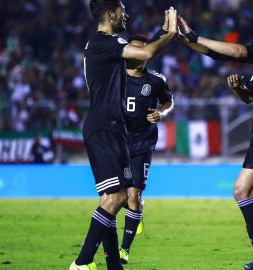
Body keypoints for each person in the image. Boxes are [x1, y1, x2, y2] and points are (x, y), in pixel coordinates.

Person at [178, 1, 253, 269]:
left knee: (241, 189)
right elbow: (236, 78)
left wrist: (196, 36)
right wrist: (186, 40)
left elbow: (236, 50)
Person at [70, 1, 177, 270]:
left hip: (113, 129)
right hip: (105, 127)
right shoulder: (104, 42)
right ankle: (81, 263)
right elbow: (148, 52)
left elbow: (141, 53)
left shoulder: (106, 45)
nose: (126, 14)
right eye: (122, 10)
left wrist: (161, 30)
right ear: (110, 14)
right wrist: (171, 33)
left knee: (112, 199)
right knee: (117, 198)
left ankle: (113, 264)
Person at [118, 35, 174, 265]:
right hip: (117, 142)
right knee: (118, 197)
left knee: (134, 195)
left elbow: (169, 101)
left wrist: (162, 113)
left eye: (145, 50)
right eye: (135, 50)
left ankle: (124, 250)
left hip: (143, 142)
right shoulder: (116, 78)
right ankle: (137, 212)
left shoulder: (156, 80)